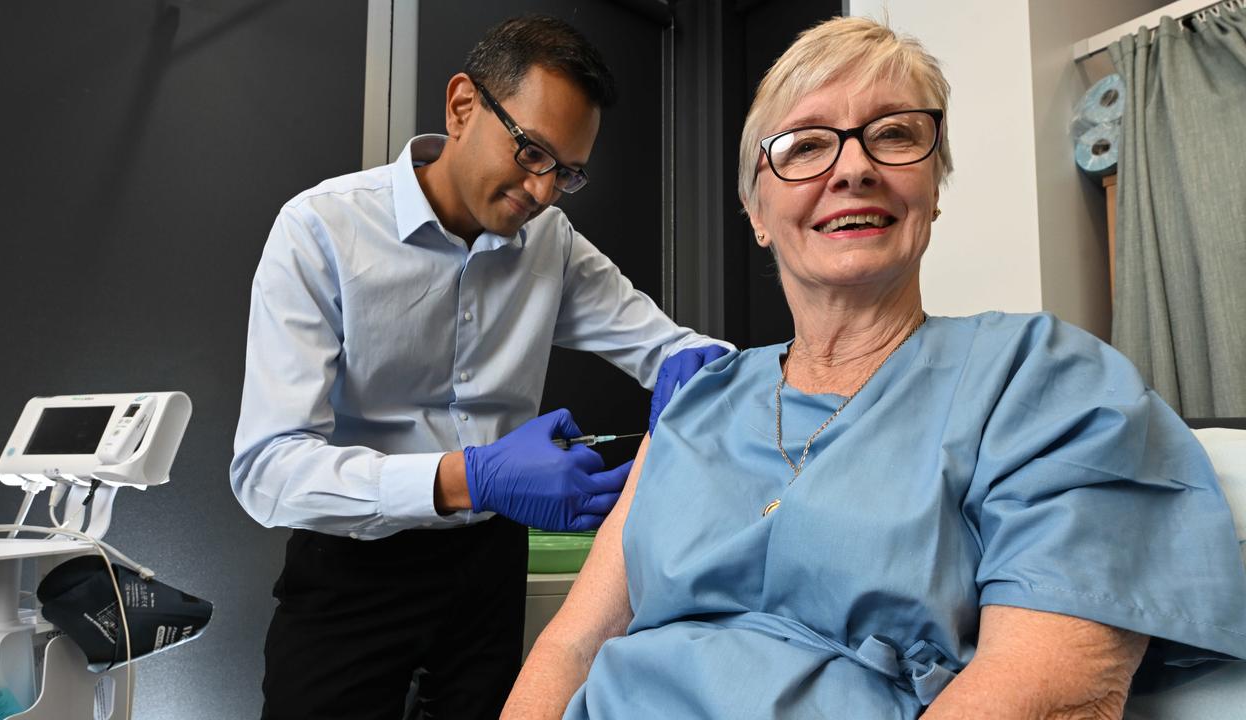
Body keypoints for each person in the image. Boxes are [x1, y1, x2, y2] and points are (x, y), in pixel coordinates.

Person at [503, 16, 1246, 720]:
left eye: (894, 135)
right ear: (756, 213)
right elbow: (570, 644)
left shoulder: (1044, 382)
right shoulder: (697, 406)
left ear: (933, 190)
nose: (854, 167)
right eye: (803, 145)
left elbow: (1047, 689)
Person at [230, 15, 730, 720]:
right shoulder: (322, 231)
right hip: (354, 566)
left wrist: (704, 367)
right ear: (462, 105)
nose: (544, 191)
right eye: (532, 153)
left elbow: (664, 344)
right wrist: (471, 476)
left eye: (568, 171)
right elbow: (267, 470)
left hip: (489, 561)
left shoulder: (549, 243)